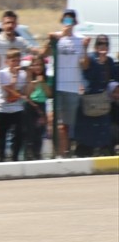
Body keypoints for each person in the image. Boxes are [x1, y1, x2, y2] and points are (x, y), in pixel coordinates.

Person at [44, 9, 86, 158]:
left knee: (65, 126)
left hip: (72, 87)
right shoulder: (56, 37)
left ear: (75, 23)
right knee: (53, 121)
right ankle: (55, 153)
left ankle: (63, 154)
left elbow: (85, 65)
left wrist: (85, 49)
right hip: (56, 86)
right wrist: (57, 37)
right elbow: (44, 54)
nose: (68, 23)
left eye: (71, 21)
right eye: (65, 20)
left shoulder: (80, 40)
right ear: (62, 21)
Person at [75, 35, 117, 156]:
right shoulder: (91, 58)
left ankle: (104, 151)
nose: (103, 46)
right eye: (100, 43)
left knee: (103, 129)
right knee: (87, 132)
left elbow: (115, 77)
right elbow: (84, 65)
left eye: (105, 44)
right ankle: (84, 152)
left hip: (102, 101)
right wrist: (84, 47)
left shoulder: (109, 61)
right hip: (89, 100)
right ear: (95, 46)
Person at [0, 48, 29, 162]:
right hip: (2, 108)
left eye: (17, 61)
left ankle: (15, 157)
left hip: (17, 107)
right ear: (7, 61)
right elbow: (8, 92)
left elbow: (25, 92)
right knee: (1, 135)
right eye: (13, 61)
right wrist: (14, 78)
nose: (15, 64)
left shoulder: (23, 74)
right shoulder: (2, 73)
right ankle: (0, 157)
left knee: (19, 133)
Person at [23, 55, 51, 161]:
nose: (37, 67)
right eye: (35, 65)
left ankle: (37, 153)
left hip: (41, 105)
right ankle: (28, 153)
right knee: (29, 131)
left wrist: (42, 82)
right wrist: (31, 81)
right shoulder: (29, 77)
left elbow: (49, 94)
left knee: (39, 131)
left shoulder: (46, 78)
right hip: (31, 105)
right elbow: (27, 94)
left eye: (39, 65)